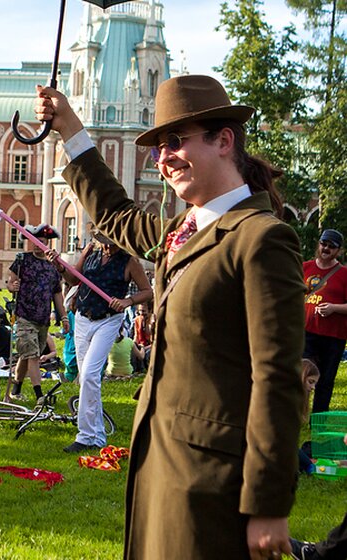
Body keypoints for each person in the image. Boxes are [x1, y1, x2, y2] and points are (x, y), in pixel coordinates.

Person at [35, 74, 306, 558]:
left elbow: (278, 377)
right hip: (160, 458)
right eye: (158, 147)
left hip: (213, 478)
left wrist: (267, 502)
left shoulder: (260, 238)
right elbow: (115, 214)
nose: (162, 159)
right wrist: (70, 128)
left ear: (224, 141)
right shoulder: (184, 228)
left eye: (176, 142)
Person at [53, 229, 152, 452]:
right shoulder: (89, 252)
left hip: (108, 320)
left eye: (111, 243)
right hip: (82, 318)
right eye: (104, 243)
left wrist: (128, 301)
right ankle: (95, 435)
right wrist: (60, 266)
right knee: (86, 379)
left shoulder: (129, 262)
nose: (107, 247)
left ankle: (85, 435)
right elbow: (73, 280)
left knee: (89, 374)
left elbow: (148, 291)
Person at [6, 224, 66, 402]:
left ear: (47, 243)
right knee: (32, 355)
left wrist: (63, 317)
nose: (37, 245)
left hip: (43, 318)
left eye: (41, 242)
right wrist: (12, 287)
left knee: (26, 356)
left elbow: (57, 294)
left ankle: (16, 390)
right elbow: (10, 282)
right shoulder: (22, 260)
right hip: (24, 315)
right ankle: (39, 394)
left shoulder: (53, 266)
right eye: (34, 241)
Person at [303, 228, 347, 413]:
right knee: (301, 377)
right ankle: (298, 415)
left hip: (333, 337)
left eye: (331, 246)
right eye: (324, 244)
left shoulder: (344, 274)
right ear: (318, 244)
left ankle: (318, 423)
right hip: (306, 333)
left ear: (339, 251)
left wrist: (333, 308)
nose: (326, 249)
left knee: (325, 381)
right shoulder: (304, 267)